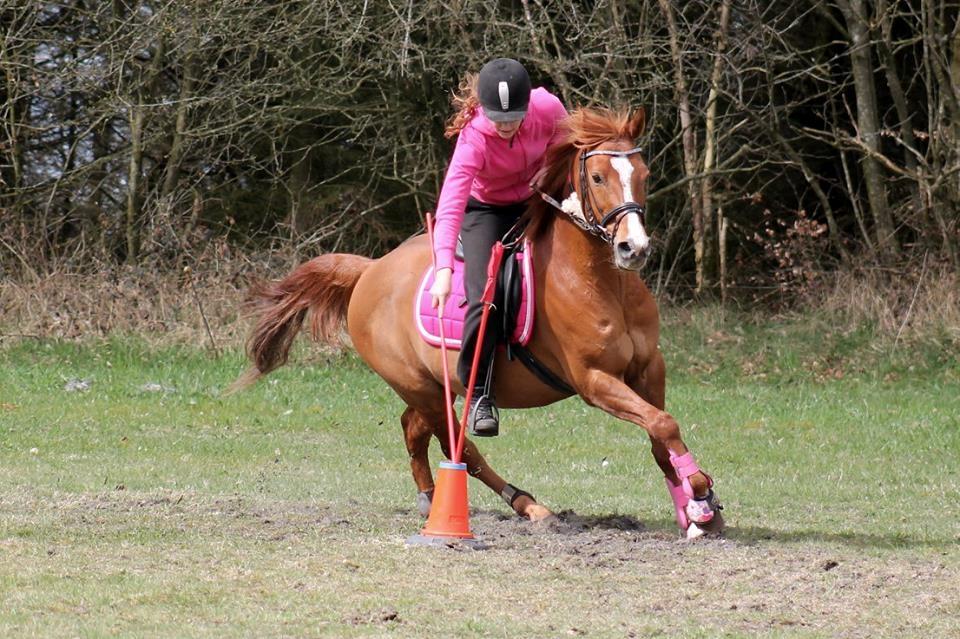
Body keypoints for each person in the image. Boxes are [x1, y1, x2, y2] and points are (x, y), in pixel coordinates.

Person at [430, 58, 568, 437]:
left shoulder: (548, 107)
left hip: (536, 198)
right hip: (485, 211)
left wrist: (550, 168)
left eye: (514, 117)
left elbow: (565, 142)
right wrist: (443, 271)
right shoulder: (473, 137)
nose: (506, 126)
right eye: (498, 118)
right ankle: (478, 395)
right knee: (484, 297)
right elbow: (451, 204)